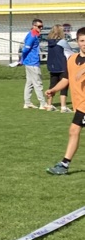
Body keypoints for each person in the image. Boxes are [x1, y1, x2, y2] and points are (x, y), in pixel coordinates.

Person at [46, 26, 85, 174]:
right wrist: (53, 90)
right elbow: (65, 79)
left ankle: (64, 164)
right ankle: (64, 164)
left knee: (74, 130)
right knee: (74, 131)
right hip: (79, 104)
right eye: (82, 41)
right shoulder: (72, 59)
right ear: (77, 42)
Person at [19, 17, 48, 109]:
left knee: (30, 83)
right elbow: (25, 49)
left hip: (29, 62)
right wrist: (22, 59)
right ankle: (43, 103)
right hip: (32, 63)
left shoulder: (33, 34)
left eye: (42, 26)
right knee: (38, 83)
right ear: (34, 26)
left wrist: (22, 60)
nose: (41, 28)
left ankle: (27, 103)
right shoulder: (32, 35)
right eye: (39, 26)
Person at [45, 26, 70, 112]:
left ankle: (49, 105)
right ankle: (63, 107)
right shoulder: (62, 42)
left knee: (52, 86)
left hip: (52, 67)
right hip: (62, 66)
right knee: (64, 86)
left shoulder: (49, 42)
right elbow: (70, 51)